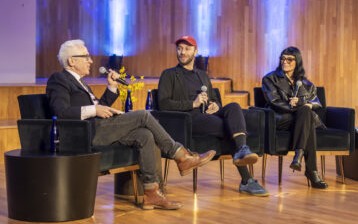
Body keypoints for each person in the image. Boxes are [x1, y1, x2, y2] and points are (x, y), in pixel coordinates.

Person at [46, 39, 216, 210]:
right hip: (84, 134)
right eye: (86, 57)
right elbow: (61, 112)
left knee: (144, 135)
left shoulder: (81, 82)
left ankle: (151, 193)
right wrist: (94, 110)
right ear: (71, 61)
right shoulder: (59, 79)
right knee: (143, 115)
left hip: (98, 128)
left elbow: (100, 107)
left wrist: (111, 88)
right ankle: (180, 155)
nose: (90, 61)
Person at [157, 35, 269, 196]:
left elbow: (213, 98)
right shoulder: (169, 74)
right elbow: (163, 104)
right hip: (188, 120)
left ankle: (243, 150)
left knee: (233, 106)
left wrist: (215, 104)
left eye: (187, 49)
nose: (182, 52)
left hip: (207, 116)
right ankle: (247, 179)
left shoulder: (202, 75)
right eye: (179, 49)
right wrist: (192, 104)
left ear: (195, 51)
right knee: (228, 128)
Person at [261, 46, 328, 189]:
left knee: (306, 113)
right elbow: (273, 101)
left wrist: (304, 104)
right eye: (283, 58)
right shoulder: (270, 78)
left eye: (289, 59)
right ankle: (310, 169)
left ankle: (299, 157)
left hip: (300, 119)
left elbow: (317, 103)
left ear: (297, 61)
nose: (285, 62)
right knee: (306, 116)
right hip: (280, 118)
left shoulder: (306, 83)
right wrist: (292, 106)